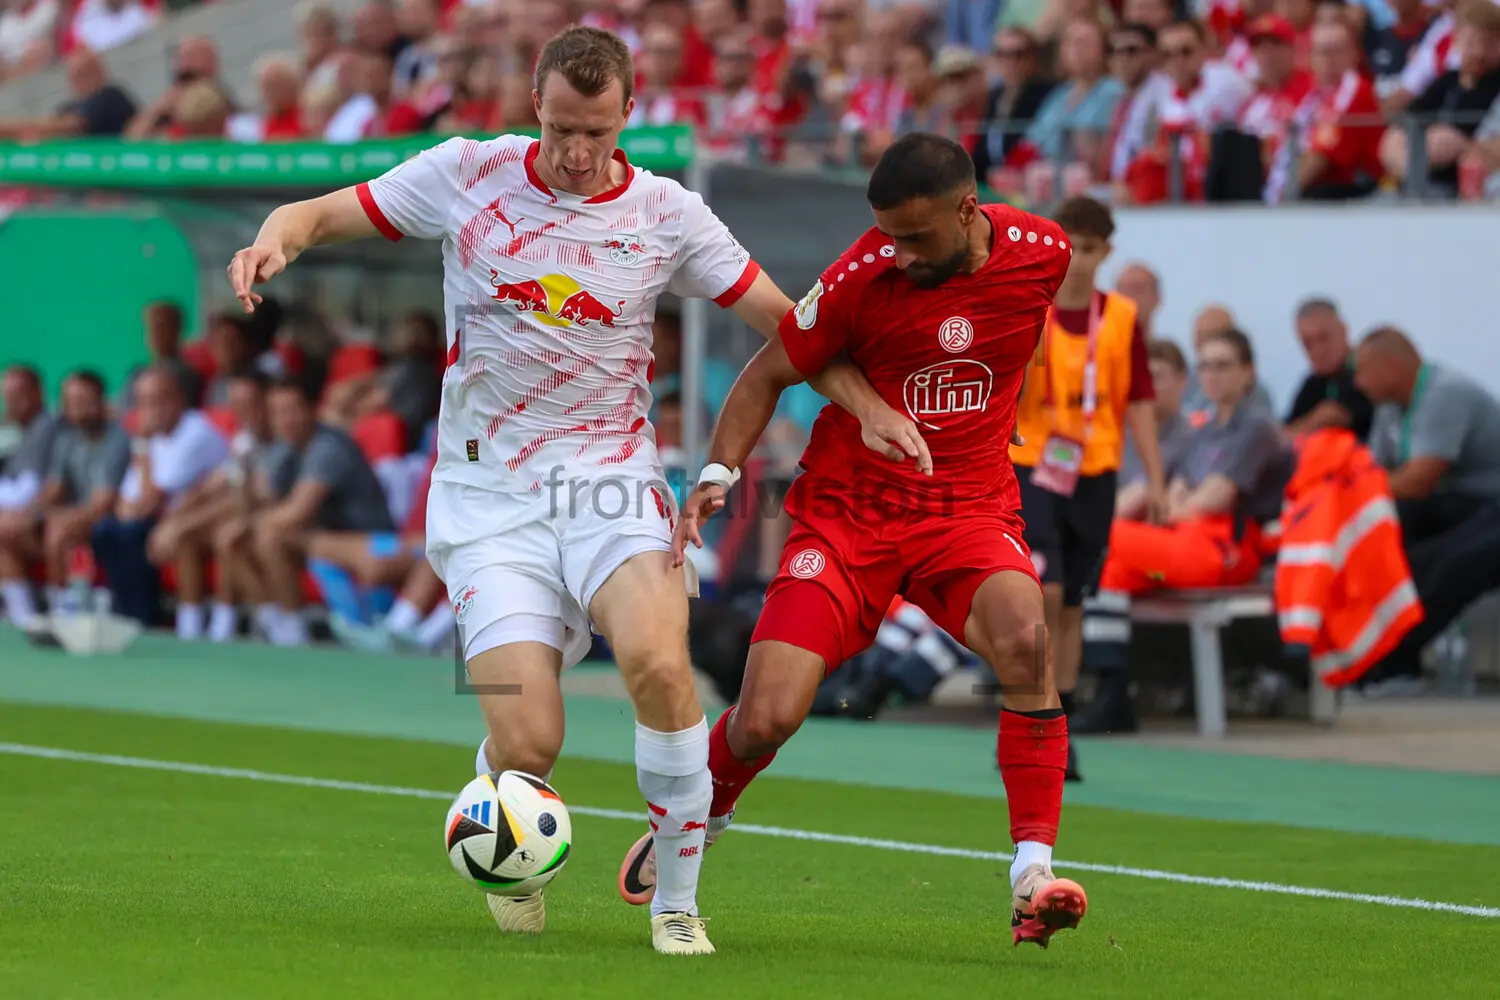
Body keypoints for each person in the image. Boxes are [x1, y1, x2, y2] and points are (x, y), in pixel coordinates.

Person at [225, 26, 914, 955]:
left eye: (595, 133)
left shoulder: (668, 212)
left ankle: (676, 903)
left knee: (662, 667)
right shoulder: (467, 173)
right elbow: (319, 212)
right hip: (484, 504)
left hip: (612, 486)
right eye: (559, 131)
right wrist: (273, 242)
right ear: (535, 108)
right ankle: (498, 818)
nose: (576, 154)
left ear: (630, 114)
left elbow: (785, 326)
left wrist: (865, 402)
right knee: (529, 740)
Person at [617, 134, 1089, 949]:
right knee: (766, 716)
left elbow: (1016, 341)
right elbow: (767, 373)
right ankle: (703, 815)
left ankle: (1032, 875)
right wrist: (718, 477)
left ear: (968, 211)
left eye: (915, 238)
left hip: (965, 510)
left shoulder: (1044, 252)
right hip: (846, 519)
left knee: (1027, 641)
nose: (897, 255)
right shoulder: (861, 273)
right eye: (887, 236)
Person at [1010, 195, 1163, 784]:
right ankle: (1033, 708)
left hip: (1094, 470)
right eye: (1069, 246)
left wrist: (1153, 473)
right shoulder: (1032, 309)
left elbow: (1140, 400)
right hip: (1033, 463)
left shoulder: (1121, 318)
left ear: (1107, 252)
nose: (1077, 260)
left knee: (1073, 599)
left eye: (1090, 249)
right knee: (1042, 591)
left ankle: (1059, 724)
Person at [1075, 328, 1290, 732]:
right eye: (1206, 366)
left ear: (1248, 371)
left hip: (1228, 551)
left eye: (1223, 366)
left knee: (1107, 535)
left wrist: (1184, 504)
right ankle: (1113, 691)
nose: (1213, 375)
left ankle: (1110, 694)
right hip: (1185, 545)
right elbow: (1177, 493)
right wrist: (1184, 503)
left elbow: (1217, 497)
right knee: (1109, 573)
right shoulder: (1204, 429)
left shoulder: (1256, 427)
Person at [1353, 326, 1500, 689]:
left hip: (1491, 502)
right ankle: (1366, 656)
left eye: (1364, 370)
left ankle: (1393, 664)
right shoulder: (1389, 408)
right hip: (1460, 504)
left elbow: (1418, 480)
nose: (1358, 382)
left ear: (1391, 366)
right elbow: (1372, 473)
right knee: (1377, 535)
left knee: (1445, 562)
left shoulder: (1445, 394)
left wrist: (1355, 489)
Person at [1283, 298, 1372, 442]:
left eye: (1323, 338)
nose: (1318, 351)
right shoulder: (1313, 383)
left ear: (1344, 330)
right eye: (1308, 344)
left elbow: (1333, 416)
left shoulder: (1366, 370)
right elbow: (1284, 433)